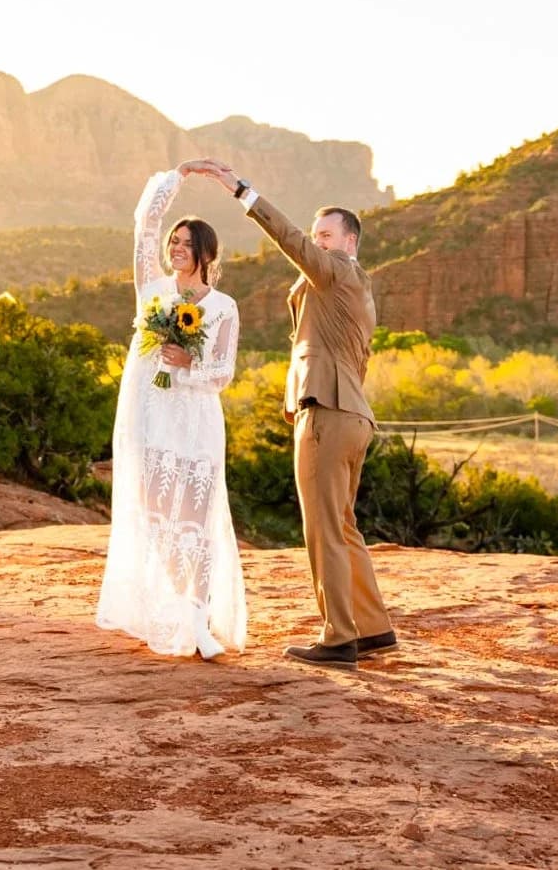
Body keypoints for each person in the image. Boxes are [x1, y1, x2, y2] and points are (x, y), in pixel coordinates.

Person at [184, 159, 395, 670]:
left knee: (324, 529)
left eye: (327, 235)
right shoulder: (356, 288)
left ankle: (338, 637)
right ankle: (373, 629)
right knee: (343, 526)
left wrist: (242, 191)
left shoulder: (336, 271)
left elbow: (291, 241)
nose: (317, 242)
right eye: (317, 234)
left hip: (326, 412)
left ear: (349, 242)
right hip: (352, 415)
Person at [94, 162, 247, 659]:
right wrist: (177, 176)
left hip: (196, 422)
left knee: (195, 523)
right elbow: (145, 226)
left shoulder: (223, 306)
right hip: (150, 418)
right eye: (174, 242)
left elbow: (222, 373)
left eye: (186, 243)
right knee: (159, 519)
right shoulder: (153, 291)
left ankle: (200, 619)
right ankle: (179, 608)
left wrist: (187, 364)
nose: (175, 248)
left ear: (206, 253)